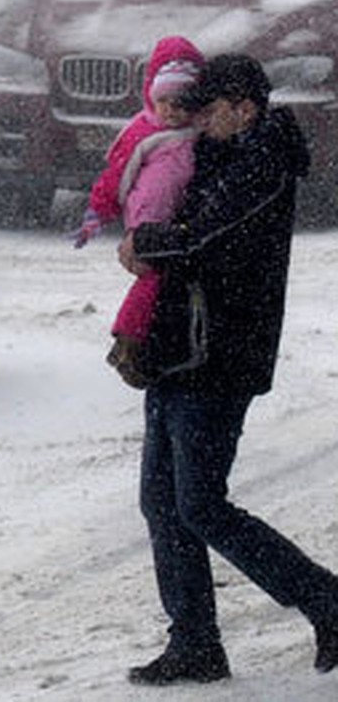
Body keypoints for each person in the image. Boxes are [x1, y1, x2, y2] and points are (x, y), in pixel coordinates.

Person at [117, 53, 338, 685]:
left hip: (220, 358)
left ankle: (325, 599)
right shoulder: (218, 153)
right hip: (178, 351)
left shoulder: (263, 162)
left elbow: (202, 236)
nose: (199, 124)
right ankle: (194, 642)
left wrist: (149, 241)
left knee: (202, 505)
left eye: (209, 111)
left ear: (244, 108)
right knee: (162, 503)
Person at [73, 35, 205, 388]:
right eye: (163, 101)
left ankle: (147, 340)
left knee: (167, 281)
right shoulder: (144, 132)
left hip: (179, 218)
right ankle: (129, 338)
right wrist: (96, 215)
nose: (171, 110)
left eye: (181, 102)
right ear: (151, 95)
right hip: (149, 219)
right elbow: (117, 176)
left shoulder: (200, 129)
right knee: (153, 277)